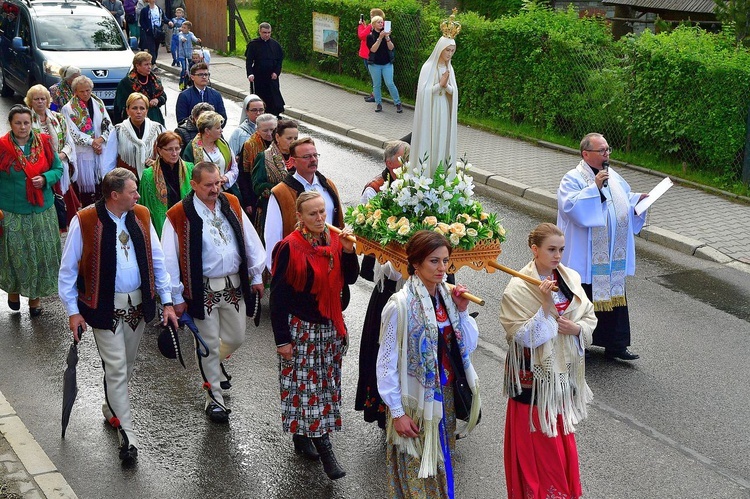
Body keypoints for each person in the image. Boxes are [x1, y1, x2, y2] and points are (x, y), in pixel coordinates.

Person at [58, 168, 177, 464]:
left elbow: (158, 261)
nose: (137, 195)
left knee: (126, 365)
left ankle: (112, 408)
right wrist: (73, 312)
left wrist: (168, 302)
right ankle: (129, 437)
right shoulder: (84, 220)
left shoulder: (142, 215)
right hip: (103, 309)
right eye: (132, 190)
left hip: (138, 307)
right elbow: (68, 272)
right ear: (114, 195)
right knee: (116, 368)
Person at [376, 230, 480, 497]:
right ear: (416, 263)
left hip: (444, 397)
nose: (442, 268)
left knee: (442, 465)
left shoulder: (447, 299)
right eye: (434, 261)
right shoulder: (399, 306)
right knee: (414, 471)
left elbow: (466, 347)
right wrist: (397, 412)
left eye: (445, 261)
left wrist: (462, 310)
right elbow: (386, 363)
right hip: (413, 403)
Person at [162, 162, 266, 424]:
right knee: (207, 345)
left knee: (236, 338)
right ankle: (214, 398)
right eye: (208, 185)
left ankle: (210, 362)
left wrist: (255, 275)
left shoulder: (231, 202)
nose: (214, 189)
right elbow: (168, 260)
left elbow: (249, 239)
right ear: (194, 185)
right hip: (202, 290)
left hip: (233, 286)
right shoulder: (177, 214)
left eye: (218, 183)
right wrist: (175, 298)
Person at [500, 222, 597, 499]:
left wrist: (576, 329)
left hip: (561, 378)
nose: (557, 256)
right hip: (533, 381)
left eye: (561, 249)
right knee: (539, 446)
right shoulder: (518, 287)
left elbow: (588, 314)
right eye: (551, 249)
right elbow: (522, 336)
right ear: (534, 249)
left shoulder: (570, 278)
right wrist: (545, 306)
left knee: (559, 442)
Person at [270, 190, 359, 480]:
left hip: (330, 325)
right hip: (302, 329)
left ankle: (302, 433)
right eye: (313, 214)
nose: (320, 218)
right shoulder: (289, 247)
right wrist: (283, 340)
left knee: (324, 386)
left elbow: (351, 278)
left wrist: (347, 250)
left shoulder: (334, 240)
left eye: (323, 212)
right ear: (299, 217)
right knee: (307, 389)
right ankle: (327, 453)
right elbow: (279, 297)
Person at [557, 133, 648, 361]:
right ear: (586, 154)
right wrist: (594, 189)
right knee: (585, 296)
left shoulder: (613, 176)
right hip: (586, 255)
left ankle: (616, 344)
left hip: (609, 255)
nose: (607, 154)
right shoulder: (572, 178)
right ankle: (581, 342)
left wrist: (639, 201)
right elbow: (571, 207)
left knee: (614, 295)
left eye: (608, 150)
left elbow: (623, 199)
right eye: (602, 151)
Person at [354, 140, 408, 428]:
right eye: (405, 160)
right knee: (383, 344)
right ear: (390, 164)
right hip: (389, 281)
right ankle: (383, 408)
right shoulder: (374, 190)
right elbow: (369, 236)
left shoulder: (416, 189)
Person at [0, 104, 63, 317]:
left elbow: (58, 168)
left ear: (31, 123)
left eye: (26, 122)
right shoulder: (1, 147)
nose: (23, 126)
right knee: (16, 254)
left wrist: (46, 178)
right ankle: (14, 291)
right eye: (18, 123)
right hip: (12, 211)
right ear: (11, 124)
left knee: (41, 255)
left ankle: (35, 299)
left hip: (42, 210)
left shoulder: (44, 143)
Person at [262, 137, 344, 271]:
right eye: (306, 156)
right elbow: (273, 236)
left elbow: (339, 223)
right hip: (299, 266)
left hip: (331, 262)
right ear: (293, 161)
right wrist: (276, 270)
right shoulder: (280, 193)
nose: (313, 160)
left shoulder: (328, 185)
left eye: (315, 155)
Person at [25, 85, 79, 225]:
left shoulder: (59, 117)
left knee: (63, 205)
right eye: (36, 99)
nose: (40, 102)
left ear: (48, 100)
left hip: (60, 165)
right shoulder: (27, 120)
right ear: (30, 101)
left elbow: (69, 142)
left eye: (43, 98)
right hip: (40, 169)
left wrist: (62, 155)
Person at [61, 76, 112, 207]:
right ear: (75, 92)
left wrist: (101, 139)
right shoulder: (68, 108)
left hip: (101, 149)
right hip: (84, 153)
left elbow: (108, 123)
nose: (86, 94)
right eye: (82, 91)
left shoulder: (98, 103)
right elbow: (72, 132)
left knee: (102, 186)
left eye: (88, 90)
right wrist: (92, 142)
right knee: (86, 190)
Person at [411, 35, 458, 174]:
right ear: (440, 50)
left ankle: (440, 172)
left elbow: (453, 91)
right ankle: (427, 172)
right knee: (430, 138)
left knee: (441, 139)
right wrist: (440, 85)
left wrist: (446, 86)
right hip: (431, 109)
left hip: (443, 107)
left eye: (452, 50)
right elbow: (423, 92)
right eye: (447, 50)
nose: (449, 54)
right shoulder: (428, 67)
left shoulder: (450, 68)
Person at [138, 131, 193, 236]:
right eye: (170, 149)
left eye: (177, 148)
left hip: (186, 222)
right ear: (159, 150)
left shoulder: (190, 169)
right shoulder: (148, 175)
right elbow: (144, 205)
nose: (174, 153)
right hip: (161, 226)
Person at [251, 119, 298, 240]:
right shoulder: (264, 157)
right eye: (289, 138)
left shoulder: (299, 156)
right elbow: (257, 186)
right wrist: (282, 191)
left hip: (296, 211)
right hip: (272, 210)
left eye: (296, 138)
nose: (293, 142)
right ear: (277, 137)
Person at [102, 92, 166, 181]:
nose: (138, 112)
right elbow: (109, 160)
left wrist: (157, 164)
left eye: (142, 108)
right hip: (126, 182)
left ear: (147, 111)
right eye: (134, 108)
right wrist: (108, 182)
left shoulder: (158, 129)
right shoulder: (118, 131)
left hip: (153, 180)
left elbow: (168, 154)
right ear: (127, 110)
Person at [181, 110, 238, 198]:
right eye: (218, 128)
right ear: (207, 131)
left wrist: (226, 178)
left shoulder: (223, 145)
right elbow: (188, 175)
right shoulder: (192, 149)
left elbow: (234, 167)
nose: (221, 130)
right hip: (204, 196)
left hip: (225, 192)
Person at [114, 51, 167, 126]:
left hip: (155, 118)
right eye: (146, 64)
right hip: (135, 121)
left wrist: (157, 100)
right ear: (137, 66)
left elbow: (163, 96)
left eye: (150, 64)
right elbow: (119, 106)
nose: (149, 67)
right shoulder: (127, 83)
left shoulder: (154, 80)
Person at [237, 112, 276, 216]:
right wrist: (247, 202)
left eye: (272, 129)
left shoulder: (282, 143)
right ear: (257, 130)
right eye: (265, 130)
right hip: (256, 196)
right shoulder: (249, 146)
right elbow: (243, 175)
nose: (269, 133)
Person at [245, 22, 285, 117]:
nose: (266, 35)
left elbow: (280, 61)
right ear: (260, 32)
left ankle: (275, 114)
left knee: (274, 96)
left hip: (272, 77)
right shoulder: (253, 44)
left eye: (268, 32)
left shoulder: (275, 45)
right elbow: (249, 61)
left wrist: (276, 72)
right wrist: (250, 74)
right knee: (260, 96)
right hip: (259, 76)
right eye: (264, 32)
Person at [366, 15, 402, 114]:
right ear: (373, 24)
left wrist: (386, 37)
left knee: (390, 83)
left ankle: (397, 103)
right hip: (374, 64)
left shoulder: (387, 35)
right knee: (377, 85)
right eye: (379, 22)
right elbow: (373, 49)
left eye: (382, 22)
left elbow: (391, 48)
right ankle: (378, 103)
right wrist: (380, 38)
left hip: (387, 63)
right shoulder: (370, 36)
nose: (381, 24)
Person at [357, 8, 384, 103]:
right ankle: (374, 94)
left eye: (372, 15)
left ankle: (375, 95)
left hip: (367, 53)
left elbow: (361, 35)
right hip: (372, 53)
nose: (371, 17)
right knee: (374, 76)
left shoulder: (371, 26)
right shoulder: (380, 26)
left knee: (373, 76)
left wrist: (360, 25)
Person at [229, 94, 264, 162]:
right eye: (254, 110)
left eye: (261, 110)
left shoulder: (271, 130)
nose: (258, 113)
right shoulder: (239, 133)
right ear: (247, 111)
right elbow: (231, 156)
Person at [138, 0, 171, 66]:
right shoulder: (145, 10)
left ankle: (152, 61)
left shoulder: (158, 9)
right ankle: (153, 64)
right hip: (150, 32)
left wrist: (169, 22)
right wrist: (147, 29)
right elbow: (141, 21)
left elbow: (163, 18)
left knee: (156, 48)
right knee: (151, 48)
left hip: (158, 32)